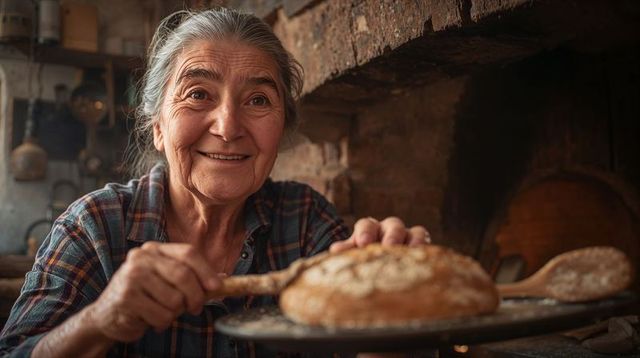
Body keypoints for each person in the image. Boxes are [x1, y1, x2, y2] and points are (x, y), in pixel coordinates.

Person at [0, 7, 429, 357]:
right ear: (158, 127)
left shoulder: (304, 221)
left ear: (281, 130)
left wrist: (393, 311)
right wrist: (101, 320)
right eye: (198, 94)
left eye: (258, 100)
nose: (228, 127)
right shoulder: (94, 225)